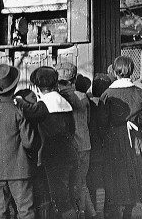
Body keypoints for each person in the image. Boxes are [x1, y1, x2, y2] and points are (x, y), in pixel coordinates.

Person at [97, 55, 142, 219]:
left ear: (114, 70)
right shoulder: (137, 92)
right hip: (134, 137)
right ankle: (128, 212)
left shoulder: (107, 93)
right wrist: (141, 118)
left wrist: (104, 134)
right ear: (132, 71)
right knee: (132, 173)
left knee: (116, 174)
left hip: (113, 138)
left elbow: (101, 121)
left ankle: (114, 211)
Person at [15, 66, 79, 219]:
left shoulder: (44, 106)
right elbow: (72, 130)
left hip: (54, 158)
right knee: (69, 197)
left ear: (36, 87)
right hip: (70, 154)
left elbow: (28, 110)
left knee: (60, 199)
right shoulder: (65, 102)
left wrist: (18, 100)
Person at [0, 63, 37, 219]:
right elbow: (28, 142)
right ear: (13, 88)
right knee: (25, 210)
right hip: (19, 168)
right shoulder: (18, 111)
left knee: (0, 210)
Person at [56, 62, 96, 219]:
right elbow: (88, 121)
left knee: (70, 185)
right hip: (85, 144)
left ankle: (82, 214)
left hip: (71, 147)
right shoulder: (83, 97)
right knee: (81, 182)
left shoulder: (60, 98)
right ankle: (90, 213)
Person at [87, 74, 112, 218]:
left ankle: (95, 212)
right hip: (103, 146)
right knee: (103, 180)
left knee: (92, 181)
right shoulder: (104, 104)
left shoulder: (87, 102)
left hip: (91, 147)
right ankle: (102, 211)